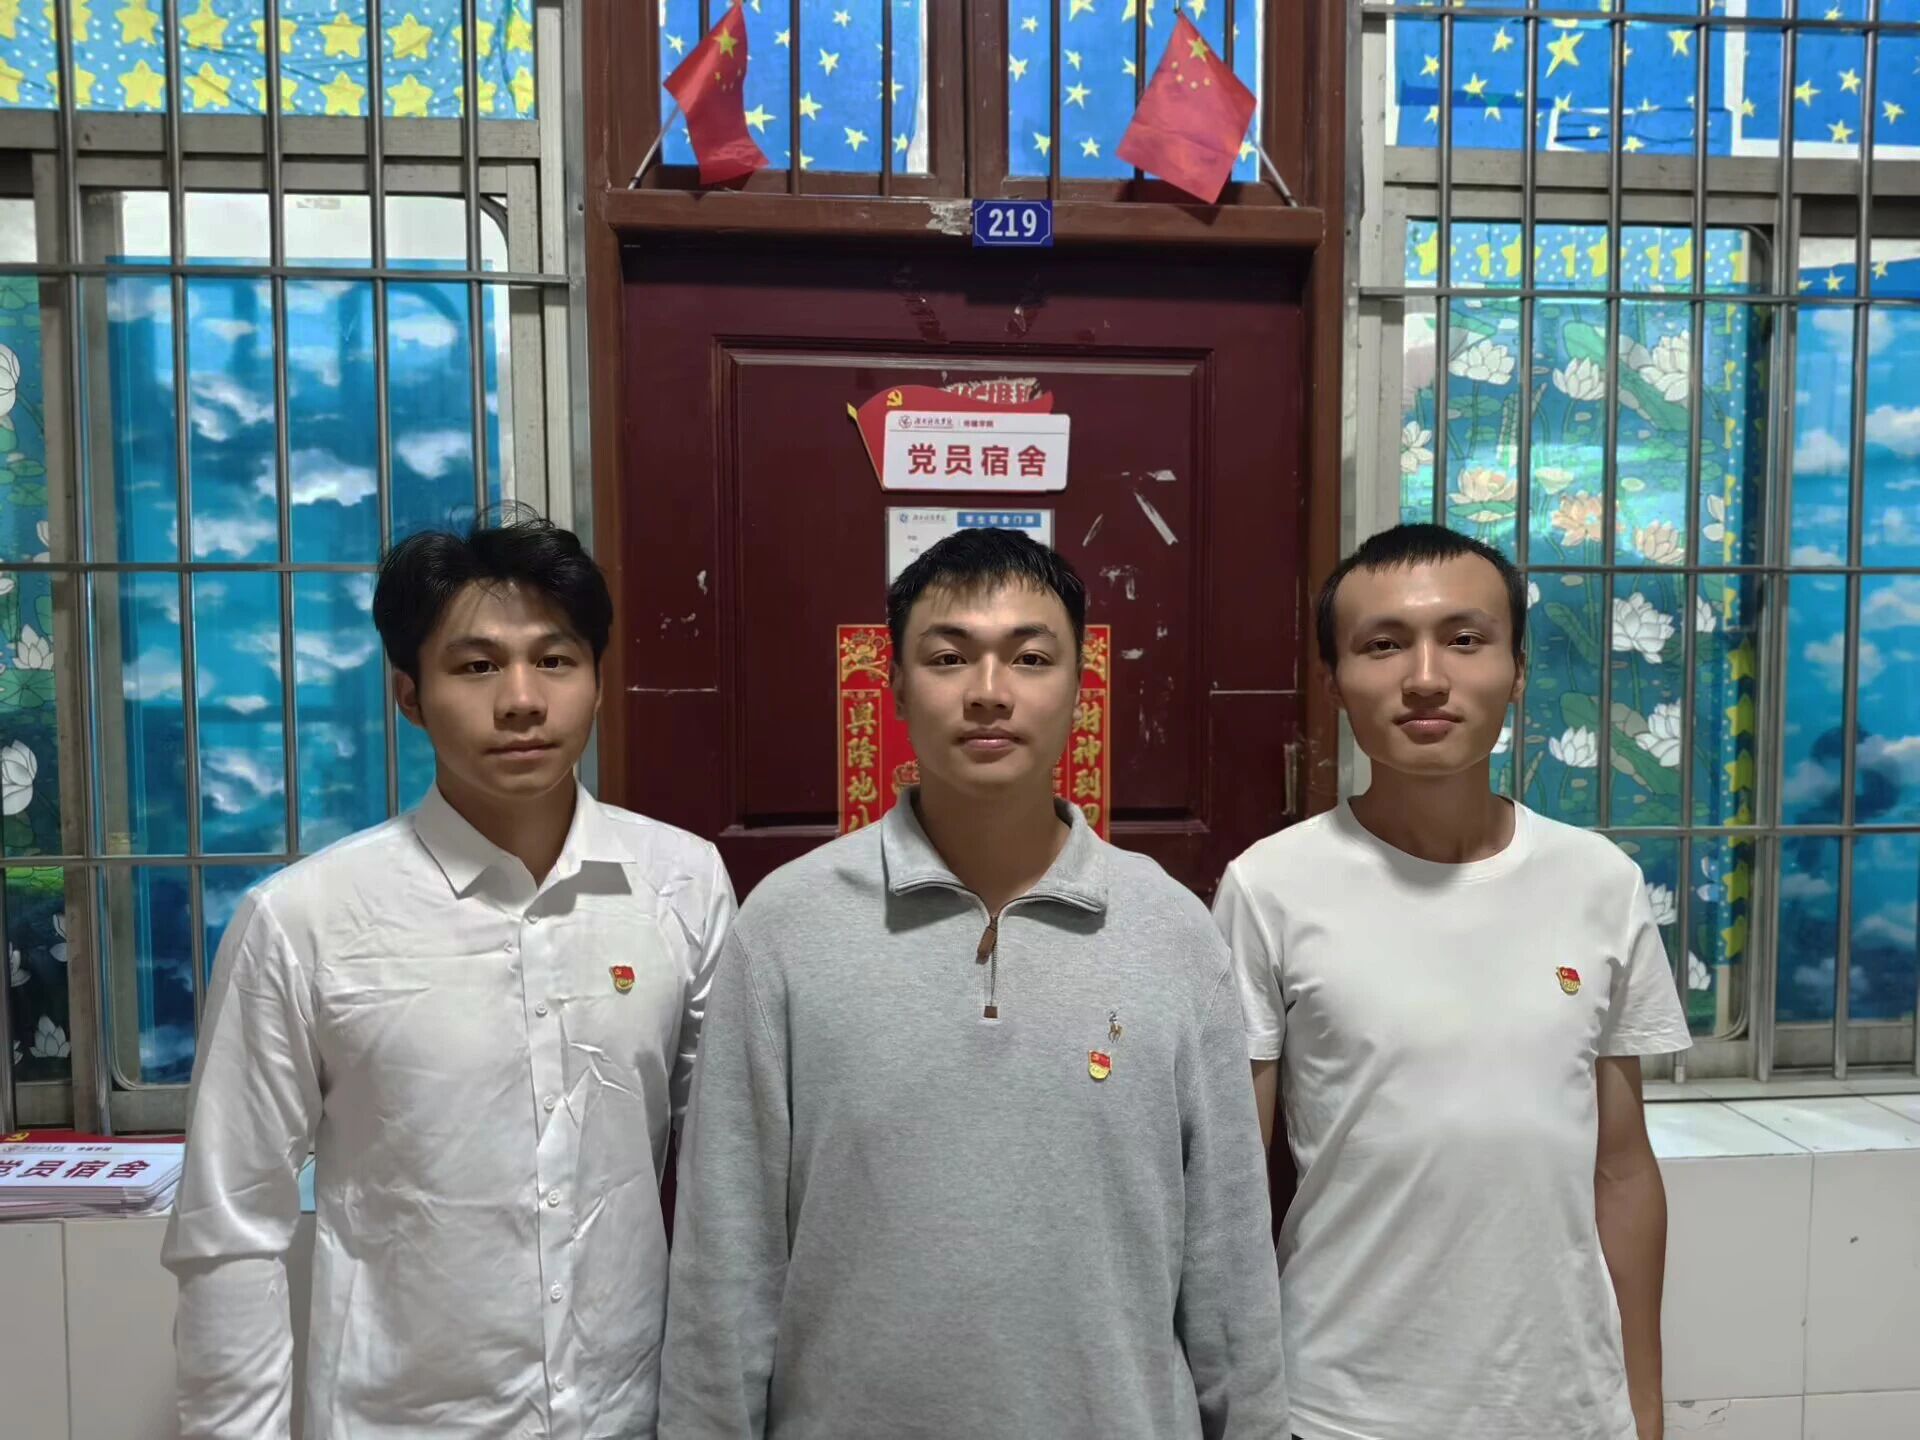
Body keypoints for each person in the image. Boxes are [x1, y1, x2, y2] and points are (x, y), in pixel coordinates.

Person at [660, 527, 1288, 1439]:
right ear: (895, 688)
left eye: (1031, 658)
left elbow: (1231, 1264)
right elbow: (727, 1259)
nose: (989, 691)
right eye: (948, 657)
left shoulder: (1172, 932)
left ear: (1081, 688)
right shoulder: (786, 927)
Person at [163, 511, 735, 1439]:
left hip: (631, 1413)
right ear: (409, 696)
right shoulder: (305, 920)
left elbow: (731, 1177)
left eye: (556, 660)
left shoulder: (683, 882)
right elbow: (231, 1226)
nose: (522, 700)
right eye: (476, 667)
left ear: (597, 681)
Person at [1213, 523, 1690, 1440]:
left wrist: (1643, 1404)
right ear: (1334, 681)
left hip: (1565, 1404)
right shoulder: (1270, 888)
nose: (1426, 677)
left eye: (1465, 639)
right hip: (1339, 1406)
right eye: (1383, 645)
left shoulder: (1599, 881)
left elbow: (1623, 1169)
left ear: (1517, 671)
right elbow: (1230, 1188)